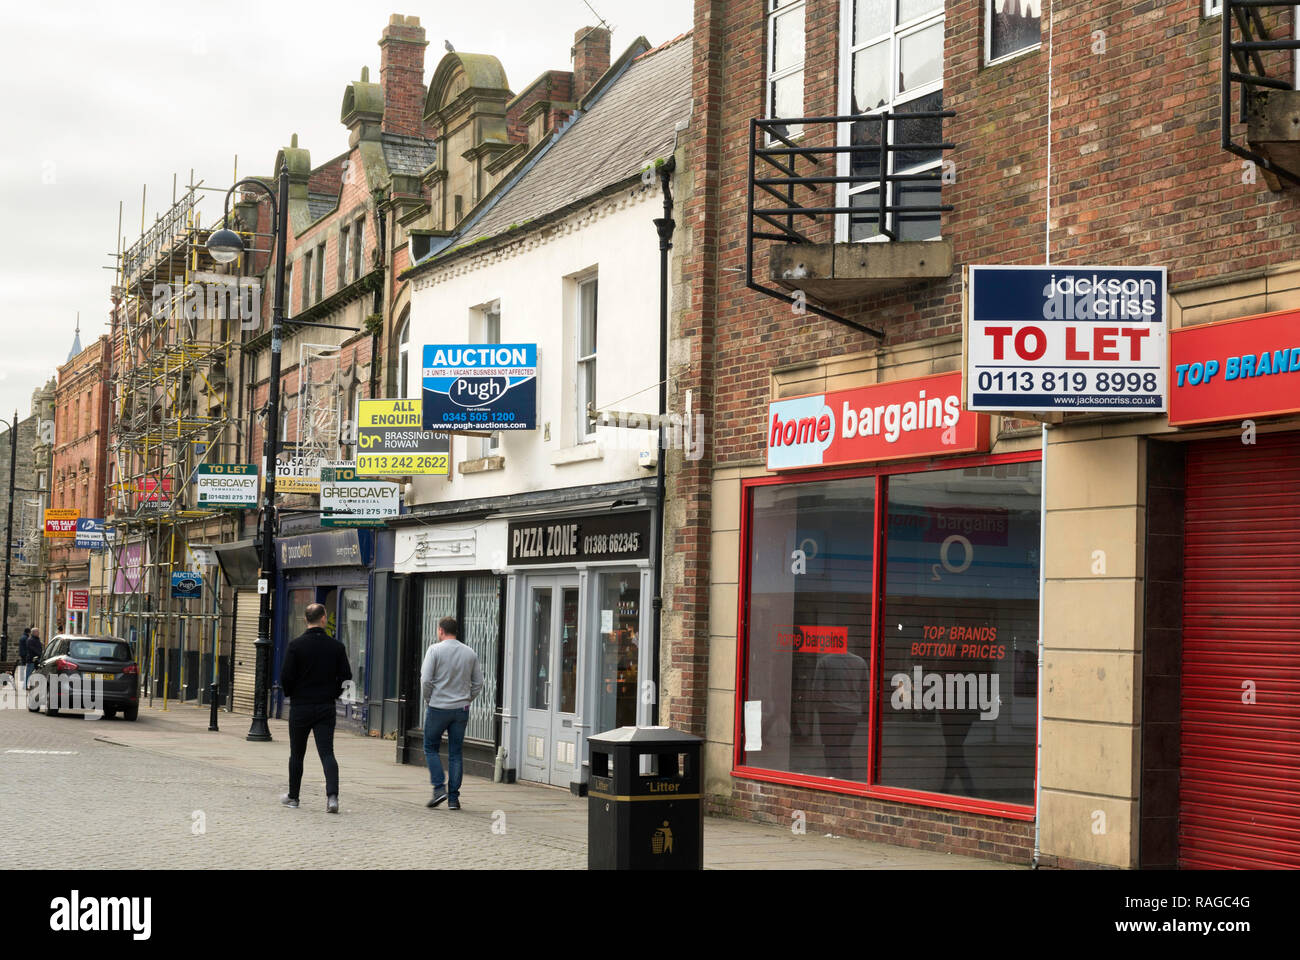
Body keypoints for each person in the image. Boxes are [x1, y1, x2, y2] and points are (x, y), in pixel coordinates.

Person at [278, 603, 351, 813]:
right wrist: (333, 694)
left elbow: (285, 677)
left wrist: (293, 693)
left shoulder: (295, 646)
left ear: (305, 620)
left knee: (296, 753)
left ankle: (294, 796)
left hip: (300, 707)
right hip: (325, 707)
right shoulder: (336, 647)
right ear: (324, 619)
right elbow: (346, 677)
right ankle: (332, 797)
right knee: (327, 752)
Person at [420, 617, 483, 811]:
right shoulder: (469, 652)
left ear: (440, 631)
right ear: (457, 631)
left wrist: (429, 700)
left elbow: (426, 680)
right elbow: (478, 683)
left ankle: (439, 789)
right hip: (460, 710)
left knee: (430, 747)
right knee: (456, 753)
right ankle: (454, 799)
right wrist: (467, 699)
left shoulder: (434, 650)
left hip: (438, 707)